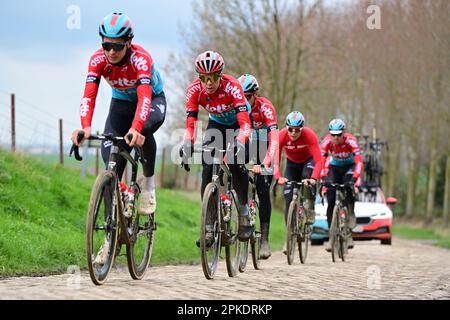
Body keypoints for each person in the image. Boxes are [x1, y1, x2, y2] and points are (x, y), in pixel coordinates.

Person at [71, 12, 166, 263]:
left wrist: (136, 128)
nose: (110, 51)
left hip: (151, 101)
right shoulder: (97, 60)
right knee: (110, 161)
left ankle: (148, 184)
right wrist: (85, 127)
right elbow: (88, 95)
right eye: (106, 45)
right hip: (121, 103)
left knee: (143, 131)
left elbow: (145, 98)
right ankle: (109, 238)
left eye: (116, 46)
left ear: (128, 43)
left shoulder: (141, 60)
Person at [179, 51, 254, 245]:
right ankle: (209, 225)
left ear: (220, 75)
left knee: (237, 164)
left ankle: (244, 213)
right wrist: (187, 144)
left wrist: (238, 142)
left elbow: (245, 125)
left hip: (239, 124)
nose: (209, 82)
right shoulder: (194, 90)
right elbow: (190, 124)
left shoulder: (233, 87)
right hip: (217, 125)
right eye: (204, 78)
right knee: (206, 166)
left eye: (212, 77)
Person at [238, 74, 279, 259]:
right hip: (247, 142)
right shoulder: (236, 104)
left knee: (263, 190)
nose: (244, 100)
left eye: (247, 96)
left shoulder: (265, 108)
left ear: (255, 94)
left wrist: (265, 163)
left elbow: (274, 138)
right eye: (241, 95)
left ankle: (264, 239)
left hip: (266, 145)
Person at [320, 119, 363, 252]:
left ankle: (349, 223)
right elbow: (321, 162)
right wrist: (322, 179)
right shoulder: (327, 141)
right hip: (334, 167)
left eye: (339, 134)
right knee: (331, 201)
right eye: (333, 134)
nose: (336, 137)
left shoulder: (350, 141)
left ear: (343, 133)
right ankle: (331, 237)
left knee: (349, 189)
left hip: (349, 168)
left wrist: (355, 177)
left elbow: (359, 161)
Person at [275, 112, 322, 229]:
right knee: (288, 196)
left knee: (307, 178)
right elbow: (276, 159)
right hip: (291, 164)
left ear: (302, 128)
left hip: (308, 161)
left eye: (297, 129)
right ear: (287, 127)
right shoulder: (281, 135)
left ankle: (310, 207)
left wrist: (313, 178)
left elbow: (320, 161)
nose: (293, 133)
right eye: (290, 129)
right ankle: (289, 234)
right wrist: (278, 176)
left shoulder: (309, 135)